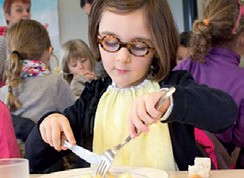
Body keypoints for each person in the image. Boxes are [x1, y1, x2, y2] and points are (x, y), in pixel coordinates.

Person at [25, 0, 238, 173]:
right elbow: (36, 158)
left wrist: (171, 102)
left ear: (158, 45)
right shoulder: (92, 98)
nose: (122, 57)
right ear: (97, 38)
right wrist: (49, 124)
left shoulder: (172, 86)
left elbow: (226, 113)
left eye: (138, 45)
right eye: (110, 41)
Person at [174, 0, 244, 168]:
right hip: (215, 166)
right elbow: (241, 138)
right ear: (242, 39)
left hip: (178, 161)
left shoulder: (184, 66)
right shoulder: (241, 80)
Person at [0, 19, 76, 142]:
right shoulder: (55, 83)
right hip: (46, 158)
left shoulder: (4, 91)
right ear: (49, 52)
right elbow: (76, 118)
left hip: (15, 159)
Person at [0, 0, 31, 85]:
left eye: (28, 10)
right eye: (19, 10)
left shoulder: (31, 42)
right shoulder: (2, 42)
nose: (26, 14)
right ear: (7, 15)